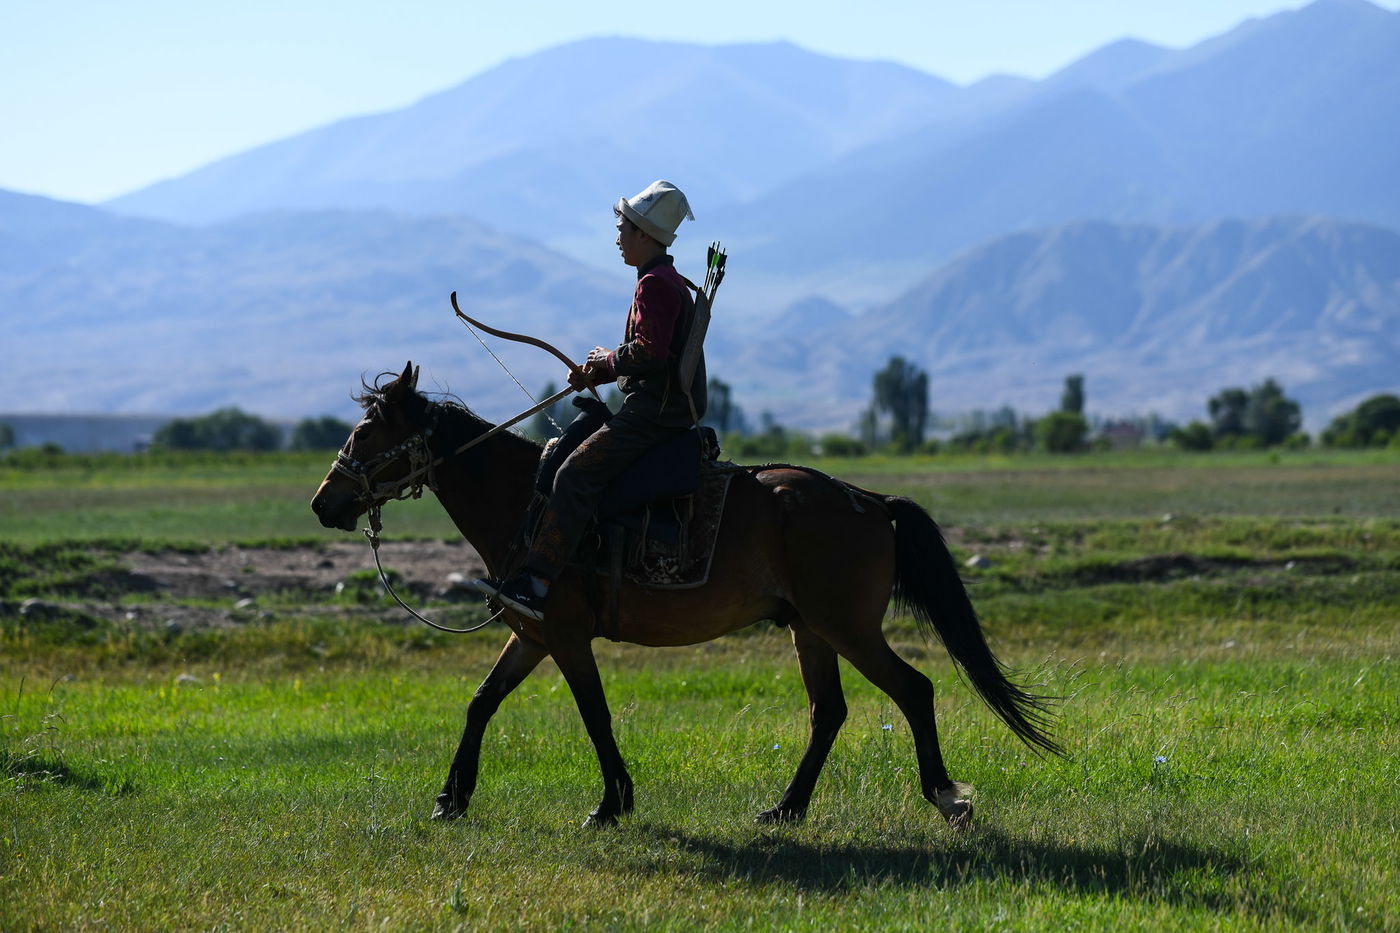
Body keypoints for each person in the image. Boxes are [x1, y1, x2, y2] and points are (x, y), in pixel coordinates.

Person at [484, 180, 707, 621]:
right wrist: (601, 371)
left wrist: (606, 361)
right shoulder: (668, 280)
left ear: (645, 235)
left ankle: (537, 584)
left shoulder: (655, 285)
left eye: (623, 228)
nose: (618, 237)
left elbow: (648, 353)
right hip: (659, 408)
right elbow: (652, 357)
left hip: (653, 416)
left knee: (572, 476)